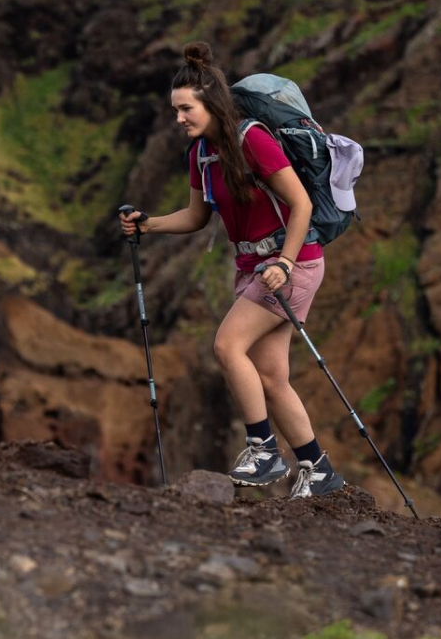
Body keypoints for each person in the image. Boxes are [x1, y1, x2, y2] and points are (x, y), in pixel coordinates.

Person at [119, 42, 344, 497]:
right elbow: (196, 217)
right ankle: (317, 469)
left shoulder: (252, 139)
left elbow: (300, 204)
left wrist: (283, 261)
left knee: (227, 345)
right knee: (270, 376)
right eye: (176, 110)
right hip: (253, 268)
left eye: (186, 109)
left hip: (291, 265)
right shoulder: (202, 154)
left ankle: (262, 448)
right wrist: (149, 223)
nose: (179, 118)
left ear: (211, 104)